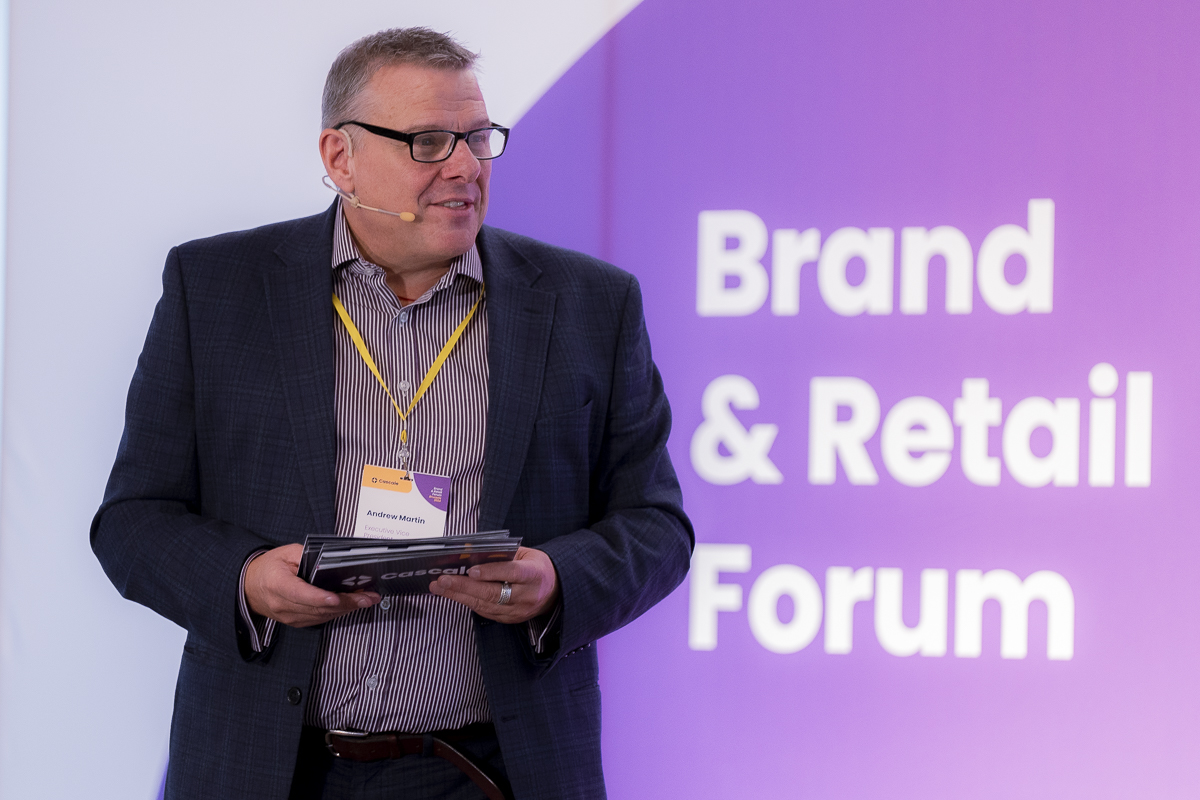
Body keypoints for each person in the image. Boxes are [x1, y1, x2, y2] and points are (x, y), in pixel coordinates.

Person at [90, 26, 692, 800]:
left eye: (478, 138)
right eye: (429, 142)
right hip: (270, 770)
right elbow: (134, 521)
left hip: (496, 771)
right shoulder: (213, 289)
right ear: (340, 157)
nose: (466, 167)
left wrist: (557, 582)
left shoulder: (591, 304)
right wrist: (243, 581)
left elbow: (657, 526)